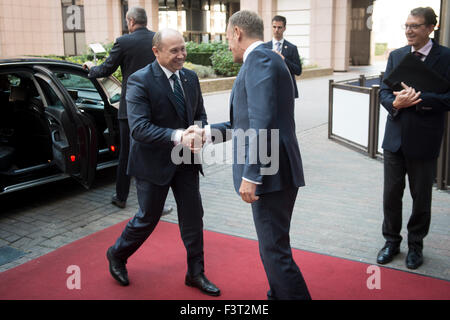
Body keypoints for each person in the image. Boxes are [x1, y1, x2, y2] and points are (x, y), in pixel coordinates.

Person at [105, 28, 220, 297]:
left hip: (186, 160)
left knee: (193, 217)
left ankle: (195, 273)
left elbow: (198, 113)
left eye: (183, 49)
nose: (182, 55)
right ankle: (117, 253)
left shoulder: (190, 78)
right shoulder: (138, 81)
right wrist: (180, 135)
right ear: (156, 52)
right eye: (174, 51)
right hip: (152, 162)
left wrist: (200, 132)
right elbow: (139, 129)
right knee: (148, 218)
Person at [204, 10, 311, 300]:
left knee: (275, 252)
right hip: (275, 170)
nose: (228, 45)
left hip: (270, 174)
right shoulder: (265, 59)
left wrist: (252, 174)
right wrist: (204, 134)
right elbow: (246, 123)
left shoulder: (260, 60)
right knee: (273, 249)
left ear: (237, 32)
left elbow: (262, 123)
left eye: (227, 37)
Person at [377, 7, 450, 270]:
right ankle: (391, 242)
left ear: (431, 27)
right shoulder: (396, 56)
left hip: (425, 140)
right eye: (406, 26)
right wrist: (395, 102)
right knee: (390, 196)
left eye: (415, 26)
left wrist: (419, 98)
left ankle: (416, 246)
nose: (409, 30)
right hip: (394, 139)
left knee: (421, 198)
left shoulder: (446, 57)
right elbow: (384, 91)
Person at [83, 6, 172, 215]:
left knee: (127, 154)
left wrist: (89, 70)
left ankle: (121, 197)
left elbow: (106, 69)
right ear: (144, 20)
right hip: (156, 107)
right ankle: (157, 202)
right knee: (154, 153)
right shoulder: (157, 40)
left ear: (130, 21)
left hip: (130, 108)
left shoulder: (123, 42)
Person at [264, 15, 302, 99]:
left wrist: (283, 59)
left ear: (284, 28)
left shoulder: (292, 48)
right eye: (274, 27)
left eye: (279, 27)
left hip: (287, 90)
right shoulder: (265, 47)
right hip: (269, 89)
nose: (276, 30)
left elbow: (298, 70)